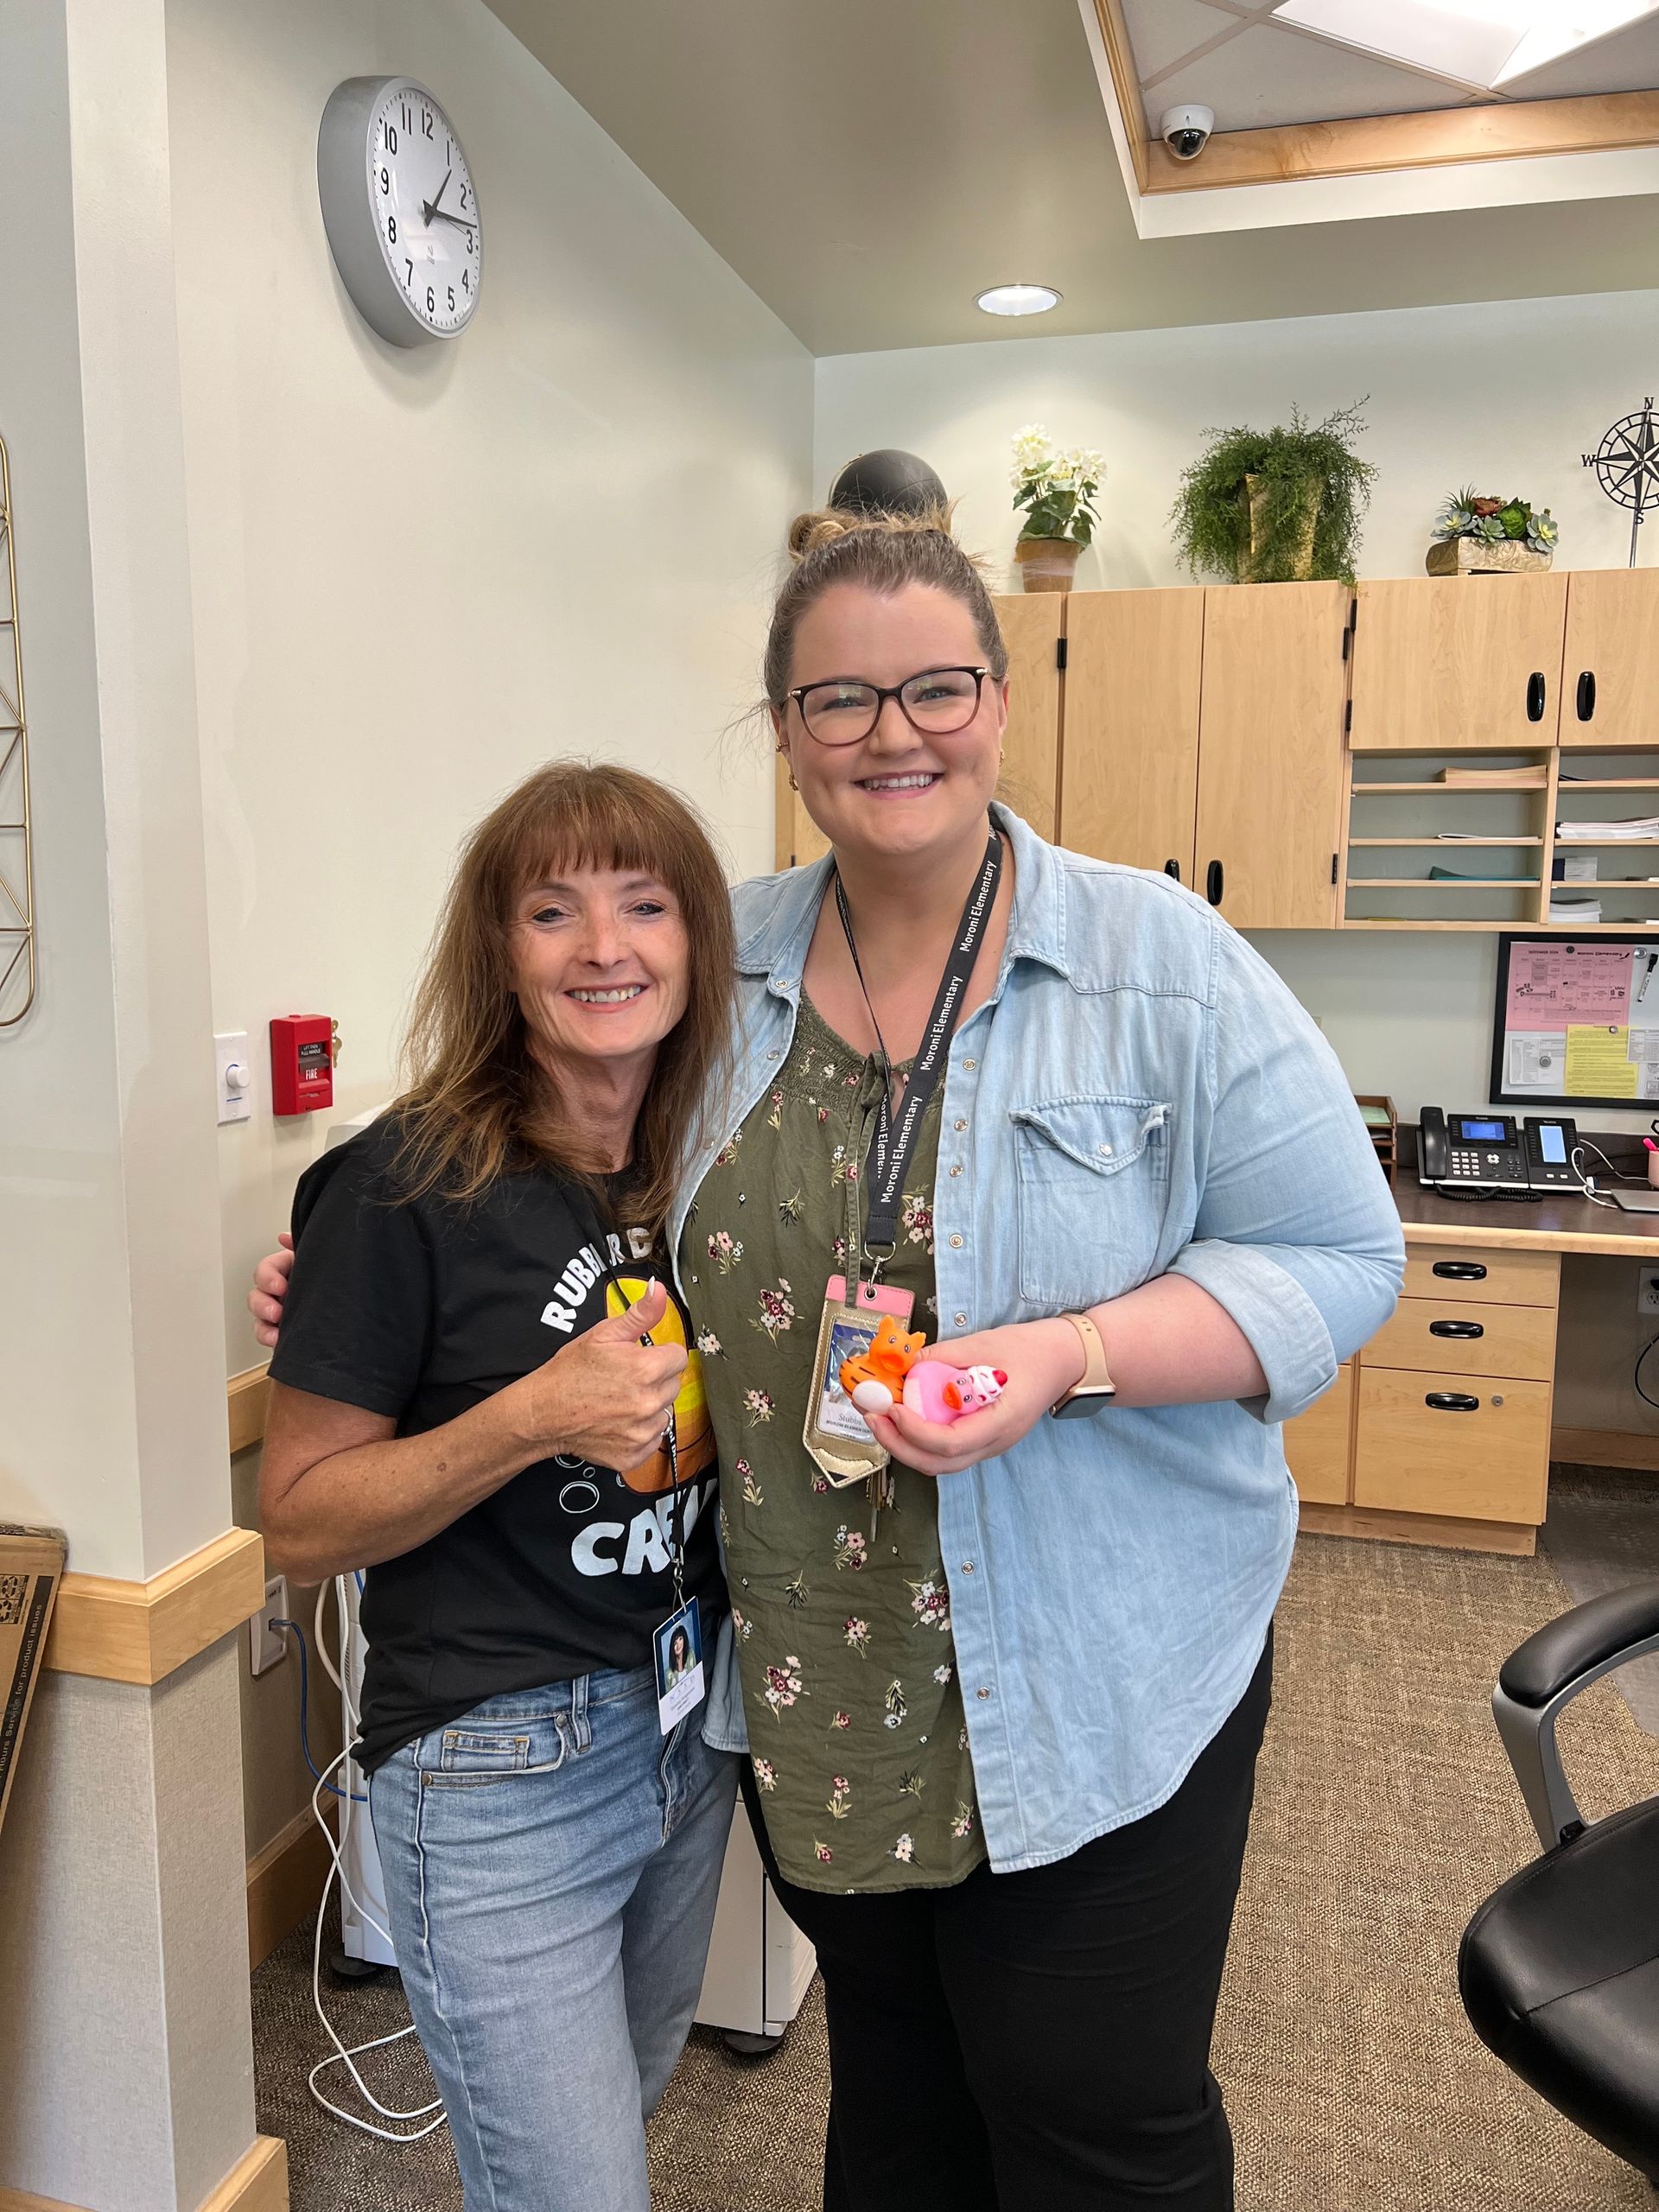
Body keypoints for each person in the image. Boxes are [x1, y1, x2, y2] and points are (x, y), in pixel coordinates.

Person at [254, 511, 1405, 2211]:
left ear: (1001, 703)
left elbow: (1338, 1252)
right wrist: (358, 1260)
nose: (892, 731)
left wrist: (1072, 1350)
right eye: (839, 697)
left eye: (934, 685)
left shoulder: (1160, 961)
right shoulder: (732, 961)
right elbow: (571, 1160)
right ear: (787, 733)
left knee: (1095, 2120)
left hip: (1095, 1662)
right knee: (895, 2109)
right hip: (815, 1681)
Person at [255, 763, 739, 2212]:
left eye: (645, 906)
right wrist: (532, 1416)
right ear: (499, 953)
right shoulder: (403, 1188)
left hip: (687, 1729)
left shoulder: (697, 1166)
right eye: (554, 911)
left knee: (614, 2119)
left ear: (697, 943)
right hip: (499, 1762)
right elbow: (300, 1520)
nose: (606, 948)